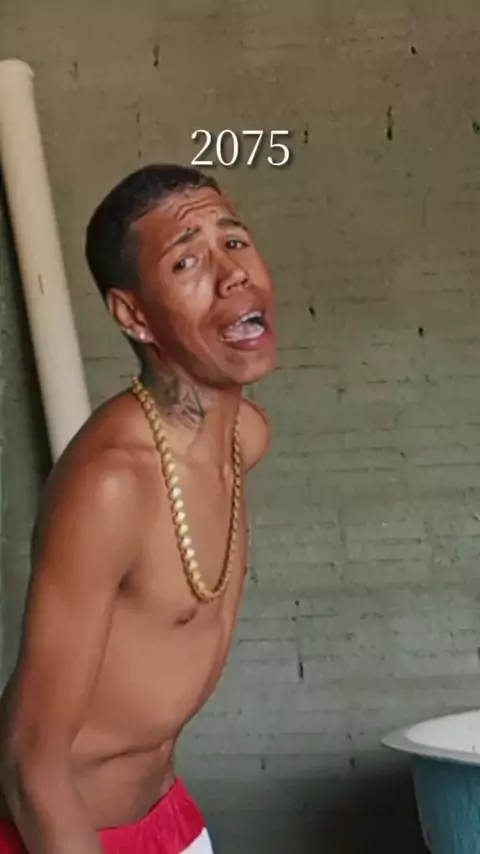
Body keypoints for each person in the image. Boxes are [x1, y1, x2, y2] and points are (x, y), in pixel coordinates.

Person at [0, 163, 277, 854]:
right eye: (187, 260)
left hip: (165, 813)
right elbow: (30, 763)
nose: (231, 274)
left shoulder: (244, 437)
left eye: (234, 242)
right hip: (55, 831)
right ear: (133, 316)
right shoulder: (113, 486)